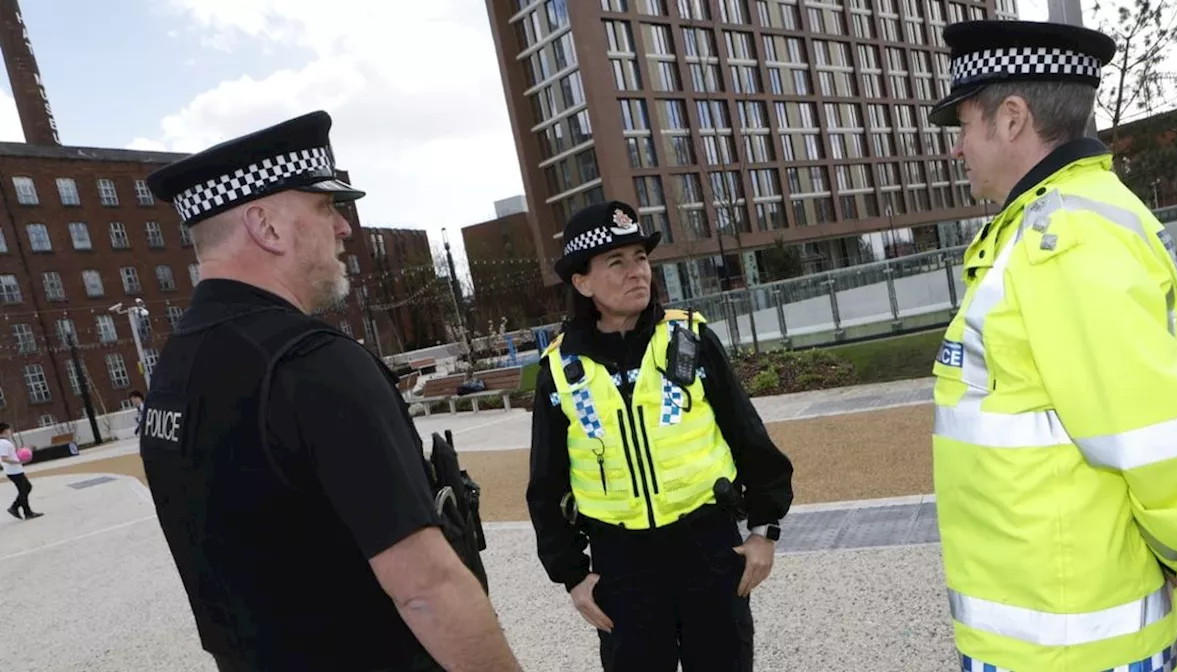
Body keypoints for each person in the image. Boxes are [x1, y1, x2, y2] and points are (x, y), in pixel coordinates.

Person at [139, 110, 522, 672]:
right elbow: (426, 588)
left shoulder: (173, 371)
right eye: (325, 207)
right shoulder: (314, 365)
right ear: (266, 227)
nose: (345, 227)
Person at [927, 20, 1177, 672]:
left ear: (1012, 118)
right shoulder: (1074, 219)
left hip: (1068, 647)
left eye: (963, 125)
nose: (957, 149)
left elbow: (1147, 414)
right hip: (1066, 629)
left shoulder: (1061, 238)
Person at [527, 200, 794, 672]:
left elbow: (748, 437)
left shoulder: (688, 339)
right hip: (622, 567)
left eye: (641, 258)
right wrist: (572, 576)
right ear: (582, 281)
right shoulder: (558, 370)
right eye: (617, 262)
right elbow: (546, 486)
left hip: (708, 550)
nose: (637, 273)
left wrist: (764, 532)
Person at [1, 423, 41, 520]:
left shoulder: (4, 442)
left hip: (14, 470)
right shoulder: (3, 443)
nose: (10, 432)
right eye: (9, 430)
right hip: (13, 471)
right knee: (24, 490)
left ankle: (18, 509)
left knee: (26, 488)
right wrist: (19, 461)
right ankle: (22, 511)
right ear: (5, 431)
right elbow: (4, 458)